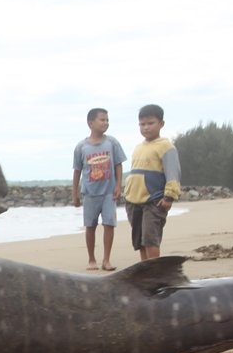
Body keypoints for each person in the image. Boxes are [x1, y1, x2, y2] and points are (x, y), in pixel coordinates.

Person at [123, 104, 181, 260]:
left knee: (150, 239)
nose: (146, 128)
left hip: (154, 201)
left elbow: (173, 173)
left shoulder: (166, 146)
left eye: (150, 123)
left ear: (161, 124)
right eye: (142, 124)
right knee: (139, 241)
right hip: (134, 200)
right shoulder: (138, 148)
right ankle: (144, 270)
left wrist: (169, 197)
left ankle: (154, 271)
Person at [72, 108, 127, 270]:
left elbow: (118, 164)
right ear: (91, 123)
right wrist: (74, 193)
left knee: (109, 224)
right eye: (102, 120)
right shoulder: (81, 147)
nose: (105, 123)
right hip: (89, 193)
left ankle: (106, 259)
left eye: (107, 120)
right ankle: (91, 259)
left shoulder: (112, 143)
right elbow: (77, 171)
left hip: (108, 192)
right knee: (90, 226)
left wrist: (118, 185)